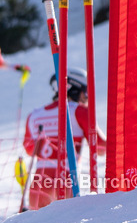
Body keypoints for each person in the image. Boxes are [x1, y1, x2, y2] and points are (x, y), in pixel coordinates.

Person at [22, 68, 105, 210]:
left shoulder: (34, 115)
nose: (86, 97)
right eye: (85, 92)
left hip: (39, 184)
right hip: (67, 180)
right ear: (73, 89)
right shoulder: (80, 111)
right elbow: (101, 148)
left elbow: (30, 150)